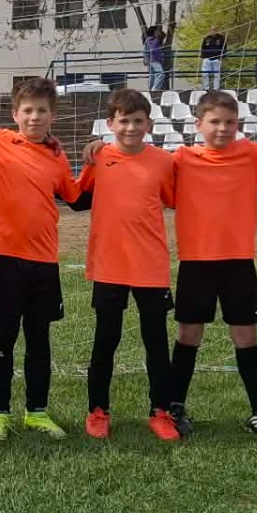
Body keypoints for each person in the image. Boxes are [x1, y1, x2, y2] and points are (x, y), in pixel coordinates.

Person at [168, 90, 257, 441]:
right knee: (189, 334)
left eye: (230, 122)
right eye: (215, 122)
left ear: (239, 124)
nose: (222, 128)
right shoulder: (181, 159)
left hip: (238, 262)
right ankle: (175, 406)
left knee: (246, 335)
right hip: (196, 261)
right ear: (198, 124)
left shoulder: (251, 153)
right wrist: (98, 147)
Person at [0, 76, 80, 439]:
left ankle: (37, 412)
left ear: (53, 115)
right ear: (15, 113)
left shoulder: (57, 155)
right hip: (5, 258)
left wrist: (97, 158)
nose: (35, 117)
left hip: (44, 260)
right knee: (3, 336)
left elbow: (75, 197)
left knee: (39, 340)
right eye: (28, 110)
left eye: (42, 111)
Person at [73, 88, 177, 438]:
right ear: (110, 123)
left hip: (151, 265)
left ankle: (161, 411)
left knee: (156, 341)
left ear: (149, 124)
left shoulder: (164, 162)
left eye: (137, 121)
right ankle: (98, 410)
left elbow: (174, 198)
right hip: (110, 264)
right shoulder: (99, 158)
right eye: (124, 121)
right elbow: (77, 198)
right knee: (106, 339)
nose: (130, 127)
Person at [142, 25, 167, 92]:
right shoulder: (153, 39)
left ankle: (151, 89)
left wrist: (145, 58)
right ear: (154, 32)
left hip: (151, 60)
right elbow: (152, 49)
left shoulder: (148, 40)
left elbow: (146, 51)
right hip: (154, 60)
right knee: (160, 73)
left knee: (153, 75)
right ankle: (155, 88)